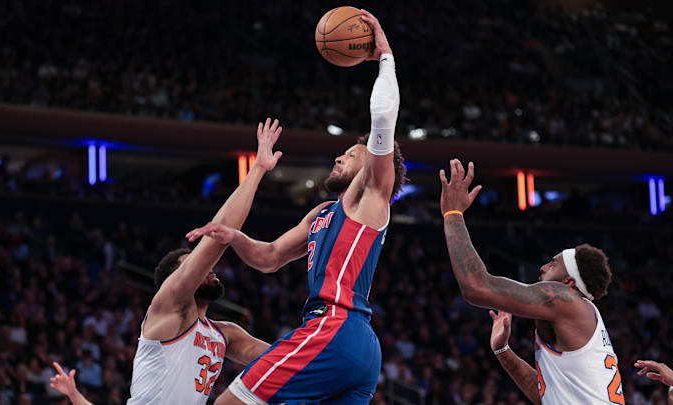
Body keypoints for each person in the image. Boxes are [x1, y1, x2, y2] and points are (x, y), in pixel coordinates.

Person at [187, 10, 406, 404]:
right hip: (356, 349)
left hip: (335, 328)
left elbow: (383, 115)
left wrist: (385, 56)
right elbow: (269, 257)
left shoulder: (370, 195)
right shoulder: (323, 214)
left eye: (351, 154)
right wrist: (233, 236)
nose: (340, 157)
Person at [106, 118, 278, 404]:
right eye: (192, 264)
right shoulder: (169, 305)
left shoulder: (225, 334)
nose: (207, 268)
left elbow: (284, 360)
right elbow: (215, 240)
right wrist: (258, 169)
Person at [440, 158, 623, 405]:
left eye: (554, 263)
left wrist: (453, 214)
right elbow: (544, 395)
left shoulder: (565, 299)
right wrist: (502, 351)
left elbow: (476, 287)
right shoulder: (580, 318)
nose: (544, 266)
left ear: (569, 282)